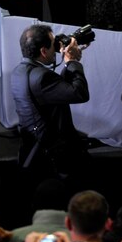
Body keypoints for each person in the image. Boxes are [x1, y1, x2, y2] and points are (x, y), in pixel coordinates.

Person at [10, 24, 90, 176]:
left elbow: (55, 90)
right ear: (43, 51)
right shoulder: (42, 77)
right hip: (57, 157)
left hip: (33, 150)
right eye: (54, 43)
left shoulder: (19, 72)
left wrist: (69, 62)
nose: (57, 47)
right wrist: (72, 62)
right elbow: (80, 93)